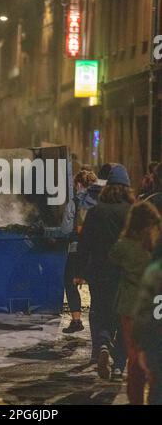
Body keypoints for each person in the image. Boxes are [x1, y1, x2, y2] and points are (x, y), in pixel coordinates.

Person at [74, 164, 134, 380]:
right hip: (126, 275)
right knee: (123, 319)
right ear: (127, 187)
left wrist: (78, 271)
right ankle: (119, 366)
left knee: (101, 312)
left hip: (99, 273)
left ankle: (102, 346)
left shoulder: (96, 211)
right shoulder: (133, 212)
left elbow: (84, 244)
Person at [109, 202, 161, 404]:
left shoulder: (125, 245)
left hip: (130, 306)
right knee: (156, 354)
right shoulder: (154, 248)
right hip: (156, 306)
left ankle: (136, 400)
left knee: (134, 357)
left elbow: (112, 257)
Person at [61, 170, 98, 333]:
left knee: (69, 281)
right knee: (95, 285)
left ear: (78, 184)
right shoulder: (101, 201)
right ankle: (98, 319)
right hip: (96, 250)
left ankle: (76, 320)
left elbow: (66, 229)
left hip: (76, 248)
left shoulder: (74, 202)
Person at [133, 259, 162, 405]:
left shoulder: (155, 272)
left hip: (157, 343)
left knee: (157, 391)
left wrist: (142, 346)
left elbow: (143, 314)